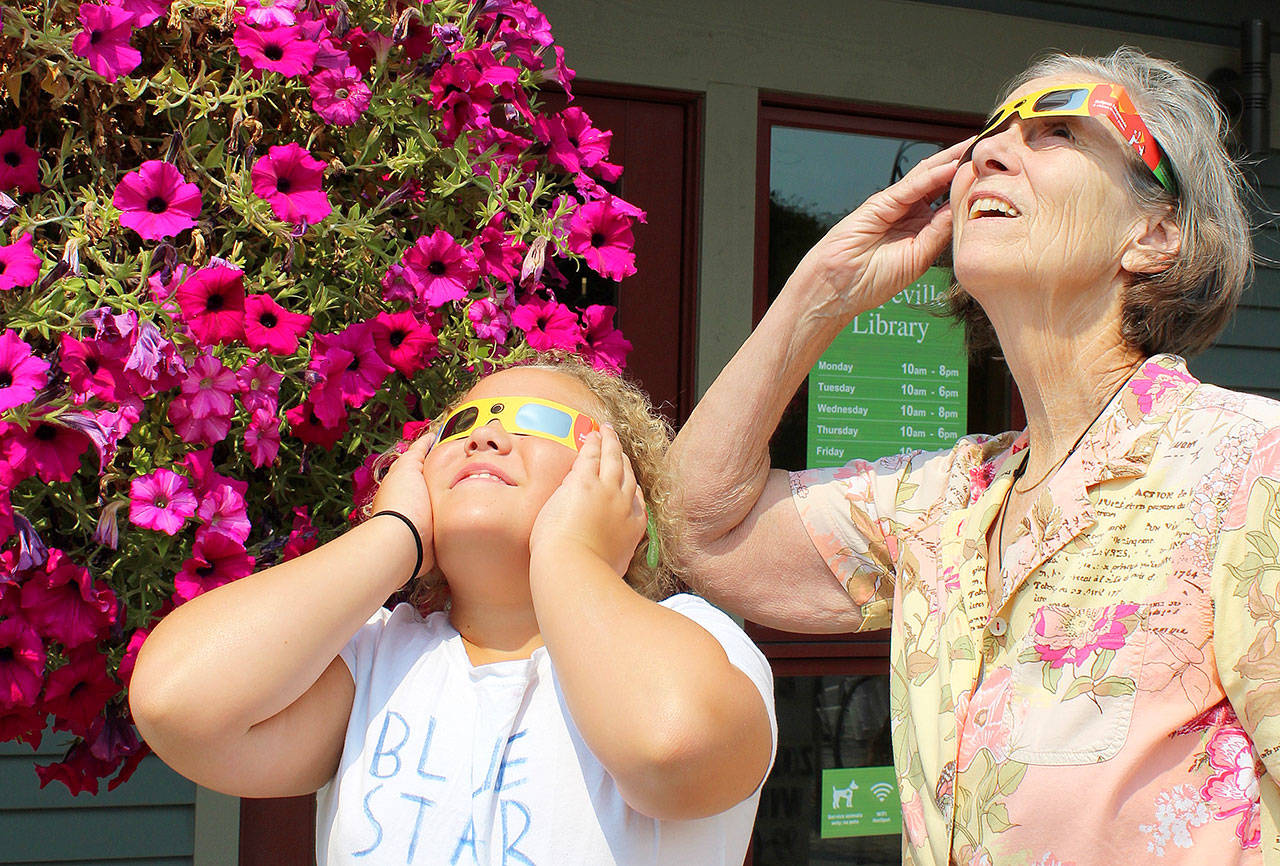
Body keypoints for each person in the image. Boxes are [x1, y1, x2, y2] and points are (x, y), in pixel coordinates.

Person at [669, 47, 1280, 864]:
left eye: (1056, 130)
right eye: (991, 133)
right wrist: (823, 293)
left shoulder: (1248, 466)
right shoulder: (945, 500)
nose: (989, 151)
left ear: (1156, 233)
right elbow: (695, 527)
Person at [128, 353, 776, 865]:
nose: (487, 436)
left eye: (539, 421)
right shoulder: (375, 664)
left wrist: (572, 554)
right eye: (459, 426)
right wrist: (394, 536)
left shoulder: (696, 639)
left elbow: (671, 744)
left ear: (620, 481)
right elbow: (177, 703)